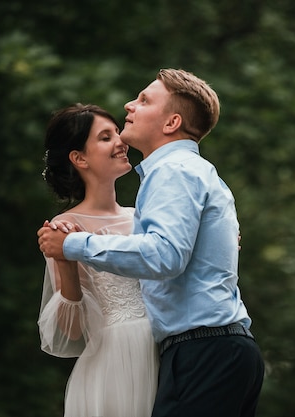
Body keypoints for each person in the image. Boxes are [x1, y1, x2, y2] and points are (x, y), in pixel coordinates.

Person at [38, 68, 265, 417]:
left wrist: (74, 245)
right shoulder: (184, 172)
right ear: (77, 158)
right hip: (175, 355)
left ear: (172, 122)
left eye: (144, 100)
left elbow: (164, 256)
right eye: (104, 137)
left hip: (199, 350)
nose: (130, 105)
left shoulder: (171, 171)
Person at [38, 103, 158, 417]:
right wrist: (65, 258)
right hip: (114, 364)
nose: (122, 141)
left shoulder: (143, 216)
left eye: (118, 132)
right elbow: (72, 330)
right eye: (106, 137)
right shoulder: (63, 228)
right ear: (79, 158)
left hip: (166, 350)